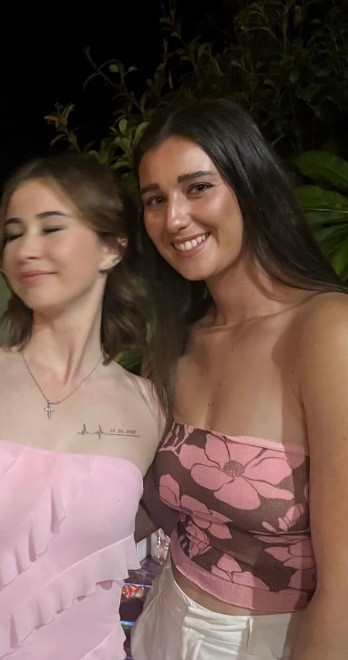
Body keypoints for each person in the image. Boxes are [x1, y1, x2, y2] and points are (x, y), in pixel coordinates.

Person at [129, 97, 348, 659]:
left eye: (198, 187)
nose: (173, 219)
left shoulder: (327, 331)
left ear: (250, 186)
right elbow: (147, 506)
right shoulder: (177, 343)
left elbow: (344, 589)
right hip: (164, 624)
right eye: (155, 200)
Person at [0, 152, 165, 659]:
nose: (27, 249)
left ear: (112, 247)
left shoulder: (151, 406)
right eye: (13, 234)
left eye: (51, 228)